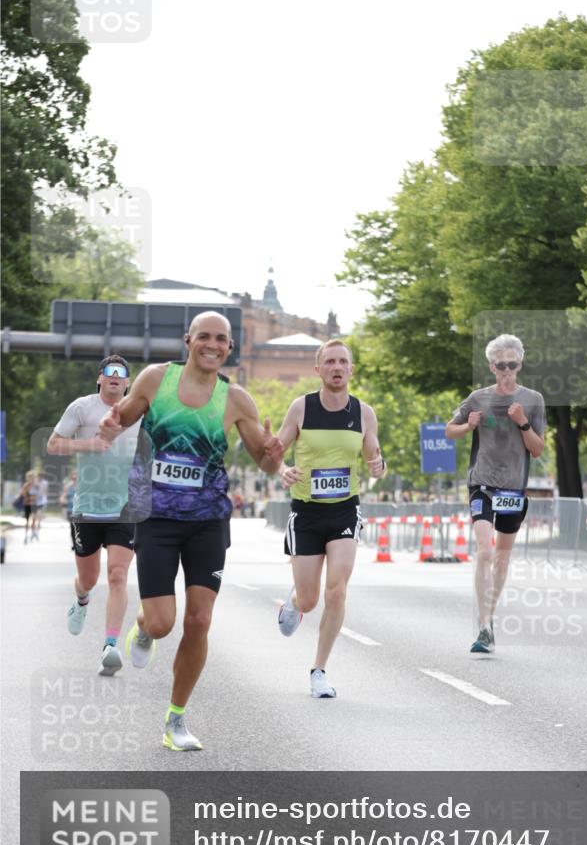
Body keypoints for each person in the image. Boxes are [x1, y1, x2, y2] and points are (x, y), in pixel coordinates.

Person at [98, 311, 284, 752]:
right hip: (156, 517)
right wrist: (110, 424)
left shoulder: (236, 399)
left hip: (208, 521)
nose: (212, 344)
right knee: (162, 623)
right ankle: (143, 627)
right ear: (188, 340)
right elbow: (122, 418)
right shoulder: (155, 379)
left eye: (221, 338)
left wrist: (275, 456)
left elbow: (264, 462)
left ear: (229, 347)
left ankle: (176, 719)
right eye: (204, 336)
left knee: (199, 620)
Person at [275, 338, 386, 698]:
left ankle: (319, 670)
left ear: (351, 369)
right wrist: (283, 469)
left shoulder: (364, 413)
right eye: (330, 362)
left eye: (343, 362)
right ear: (318, 369)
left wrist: (379, 466)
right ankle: (295, 602)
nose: (337, 367)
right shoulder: (301, 408)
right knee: (310, 600)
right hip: (306, 512)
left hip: (344, 510)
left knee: (336, 591)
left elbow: (374, 458)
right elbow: (277, 451)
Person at [445, 333, 546, 654]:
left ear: (520, 365)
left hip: (513, 488)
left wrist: (523, 422)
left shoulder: (533, 400)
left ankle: (489, 617)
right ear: (491, 366)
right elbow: (449, 430)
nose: (507, 370)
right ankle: (484, 624)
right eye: (501, 365)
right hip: (483, 484)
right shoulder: (477, 398)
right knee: (485, 551)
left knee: (501, 558)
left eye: (512, 364)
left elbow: (538, 449)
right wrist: (467, 426)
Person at [47, 355, 141, 676]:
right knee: (88, 579)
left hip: (125, 508)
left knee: (117, 575)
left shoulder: (138, 412)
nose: (115, 376)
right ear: (100, 378)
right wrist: (89, 444)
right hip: (87, 507)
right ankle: (82, 600)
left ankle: (110, 646)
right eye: (109, 372)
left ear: (127, 383)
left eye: (121, 373)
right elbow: (54, 445)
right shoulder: (82, 407)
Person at [19, 471, 40, 544]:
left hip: (34, 504)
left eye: (32, 477)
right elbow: (22, 494)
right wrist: (27, 489)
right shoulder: (26, 485)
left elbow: (38, 494)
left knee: (34, 519)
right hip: (27, 504)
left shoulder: (36, 485)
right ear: (27, 478)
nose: (31, 479)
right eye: (30, 477)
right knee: (27, 521)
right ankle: (26, 535)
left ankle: (33, 533)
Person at [33, 471, 49, 538]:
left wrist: (45, 499)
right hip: (34, 500)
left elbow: (46, 491)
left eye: (41, 476)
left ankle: (39, 524)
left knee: (39, 513)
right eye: (39, 476)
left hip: (41, 500)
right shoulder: (35, 481)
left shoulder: (45, 482)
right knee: (34, 515)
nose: (40, 477)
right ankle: (34, 527)